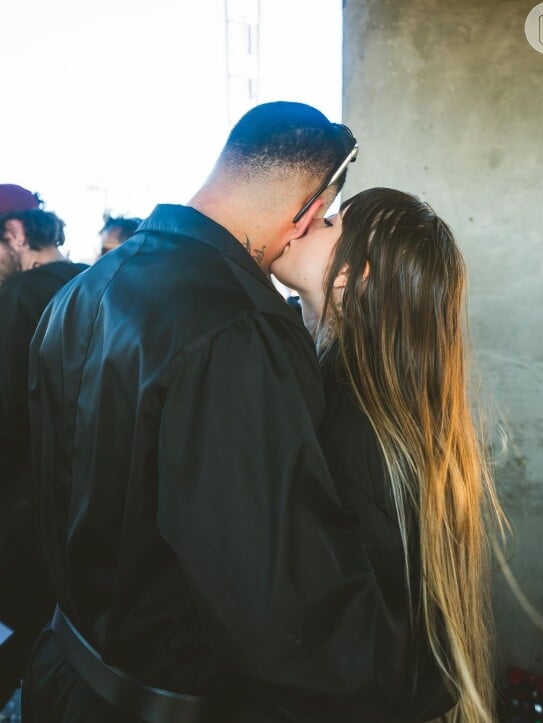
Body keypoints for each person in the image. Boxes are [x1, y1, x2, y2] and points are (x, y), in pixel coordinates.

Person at [22, 102, 391, 723]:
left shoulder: (83, 289)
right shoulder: (240, 325)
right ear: (303, 216)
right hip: (159, 703)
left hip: (63, 670)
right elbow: (278, 602)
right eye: (324, 215)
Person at [271, 187, 508, 723]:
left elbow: (353, 658)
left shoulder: (352, 433)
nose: (308, 221)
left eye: (330, 221)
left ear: (351, 277)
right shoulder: (337, 392)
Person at [0, 209, 87, 708]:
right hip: (89, 516)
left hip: (25, 515)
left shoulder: (15, 300)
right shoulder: (96, 283)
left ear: (14, 234)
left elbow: (7, 418)